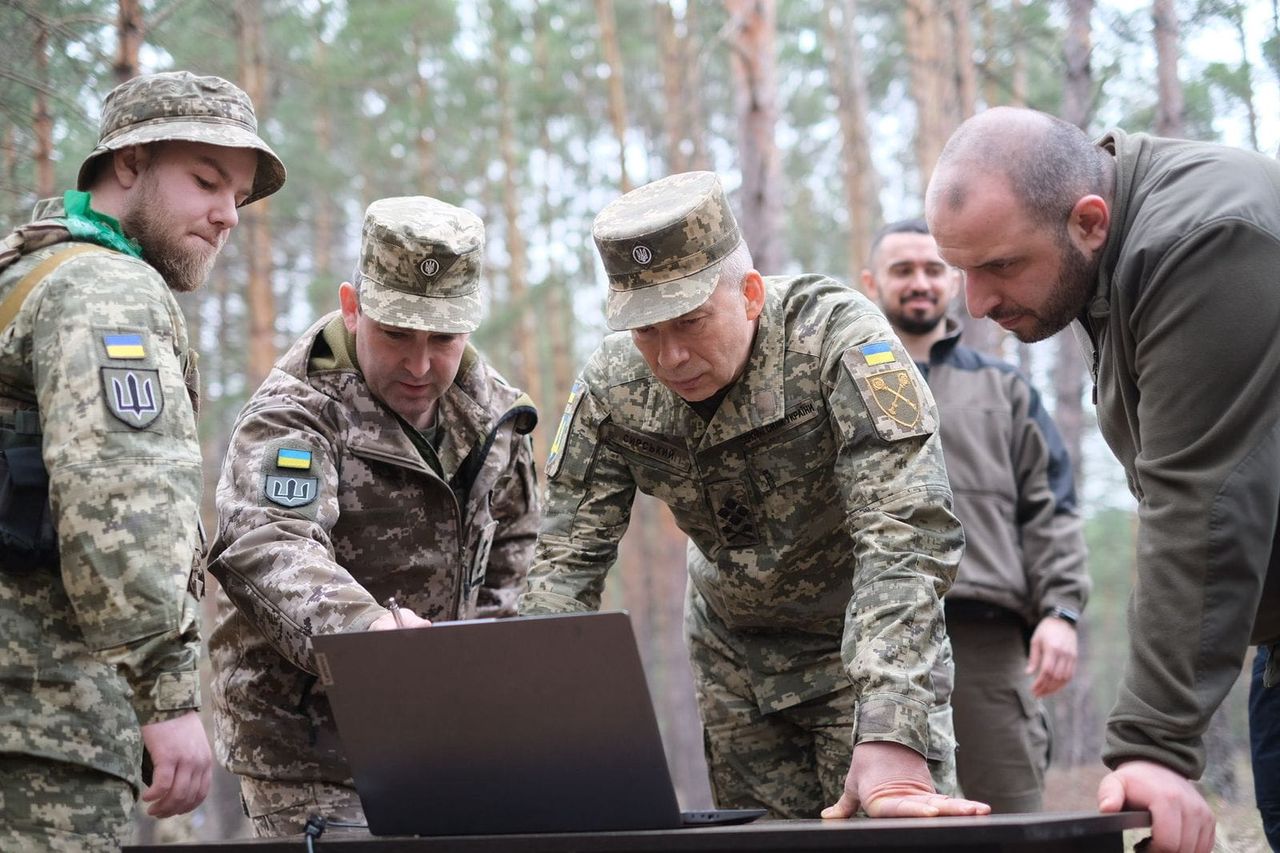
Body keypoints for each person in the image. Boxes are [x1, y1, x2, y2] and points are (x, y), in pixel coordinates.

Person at [520, 171, 990, 820]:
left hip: (863, 648)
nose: (672, 354)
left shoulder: (836, 340)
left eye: (689, 321)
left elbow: (906, 534)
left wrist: (890, 723)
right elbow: (564, 562)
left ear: (748, 293)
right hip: (735, 657)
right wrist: (530, 729)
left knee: (894, 828)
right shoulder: (614, 383)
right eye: (647, 330)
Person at [925, 106, 1280, 853]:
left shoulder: (1205, 238)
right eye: (962, 269)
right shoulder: (1111, 255)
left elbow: (1200, 501)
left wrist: (1152, 744)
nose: (977, 303)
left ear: (1088, 221)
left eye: (999, 265)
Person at [0, 70, 285, 851]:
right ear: (129, 163)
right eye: (205, 181)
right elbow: (118, 495)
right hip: (42, 724)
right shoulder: (105, 289)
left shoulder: (25, 276)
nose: (228, 215)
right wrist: (166, 697)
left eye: (240, 195)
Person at [207, 195, 541, 837]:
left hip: (453, 745)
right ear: (352, 305)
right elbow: (271, 543)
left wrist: (500, 680)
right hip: (314, 754)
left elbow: (520, 549)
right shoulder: (296, 414)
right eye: (395, 335)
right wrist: (367, 633)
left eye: (442, 340)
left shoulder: (494, 416)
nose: (419, 366)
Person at [861, 218, 1090, 812]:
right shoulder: (838, 390)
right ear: (870, 283)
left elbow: (1051, 507)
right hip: (868, 646)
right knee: (880, 819)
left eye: (934, 269)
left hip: (985, 641)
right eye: (902, 270)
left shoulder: (1004, 389)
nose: (920, 283)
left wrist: (1060, 611)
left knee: (1010, 816)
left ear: (953, 280)